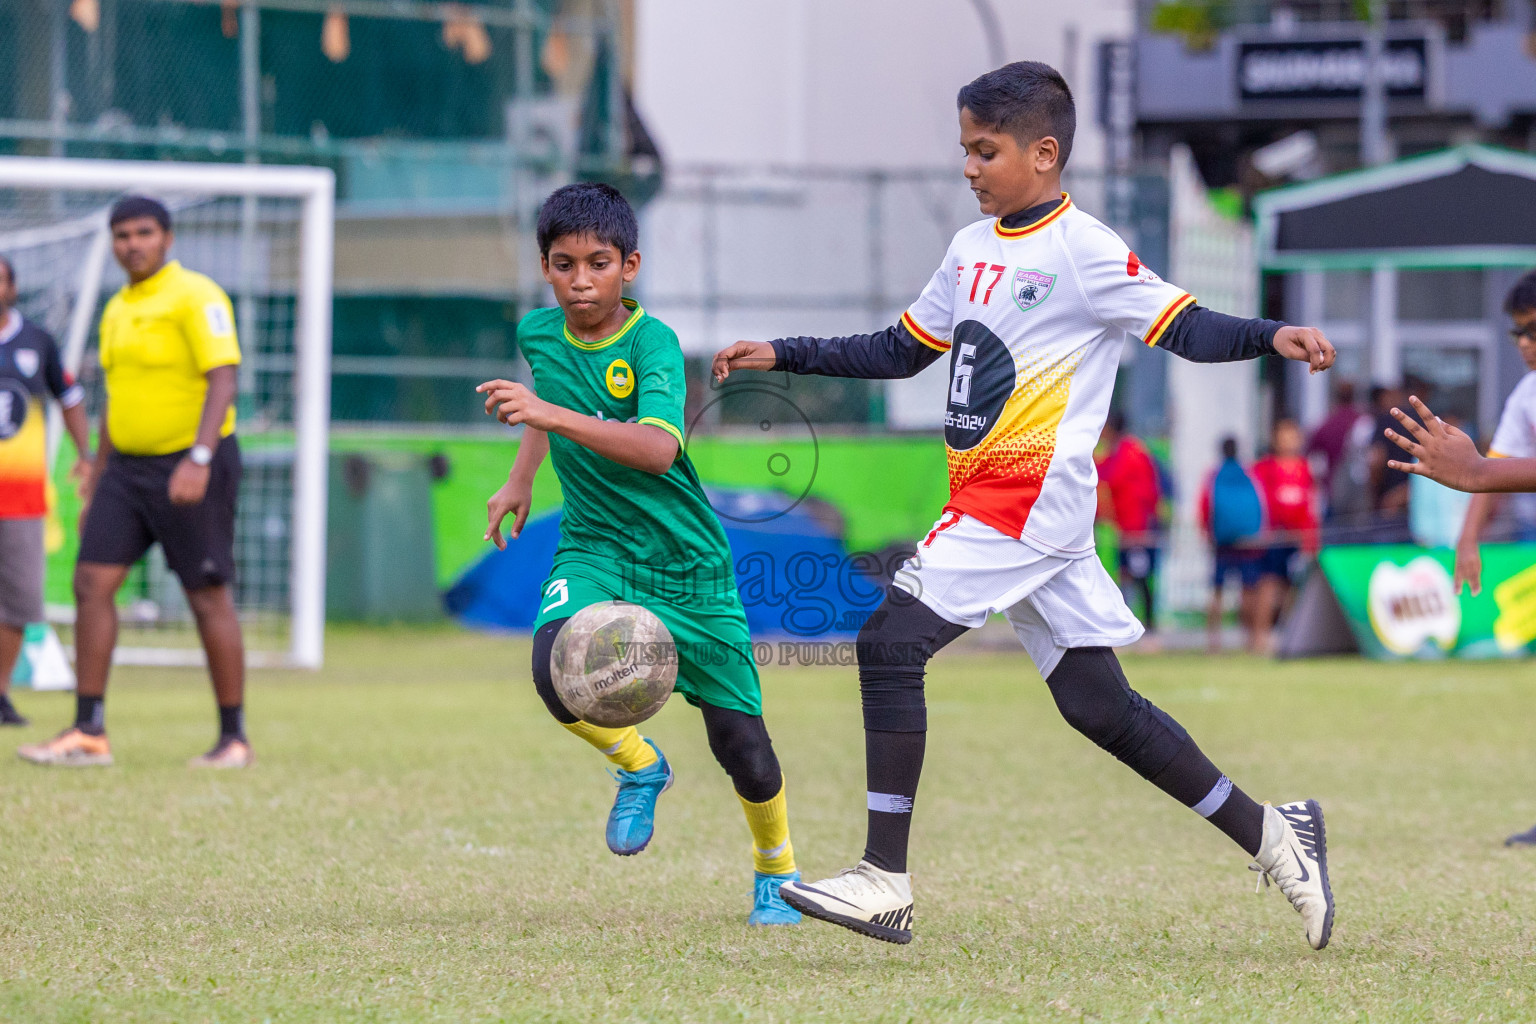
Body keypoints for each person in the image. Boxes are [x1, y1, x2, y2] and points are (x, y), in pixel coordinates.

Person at [711, 62, 1338, 949]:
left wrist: (1271, 334)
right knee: (1098, 707)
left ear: (1044, 154)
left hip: (1027, 500)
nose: (969, 167)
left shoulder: (1084, 249)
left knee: (890, 640)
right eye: (965, 149)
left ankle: (883, 876)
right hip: (998, 503)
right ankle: (1277, 835)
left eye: (985, 150)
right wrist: (785, 351)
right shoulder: (970, 251)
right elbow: (899, 350)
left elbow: (1185, 325)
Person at [475, 183, 802, 926]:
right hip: (594, 546)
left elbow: (657, 450)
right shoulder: (539, 334)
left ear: (631, 266)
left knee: (741, 743)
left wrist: (551, 415)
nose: (580, 280)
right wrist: (521, 477)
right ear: (545, 267)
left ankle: (776, 874)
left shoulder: (653, 344)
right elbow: (545, 400)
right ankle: (641, 766)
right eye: (563, 264)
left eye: (598, 263)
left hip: (687, 564)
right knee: (555, 667)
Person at [19, 197, 251, 769]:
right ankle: (89, 730)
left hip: (191, 462)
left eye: (144, 233)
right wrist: (96, 468)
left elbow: (223, 377)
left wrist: (199, 456)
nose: (132, 244)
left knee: (206, 595)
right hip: (124, 470)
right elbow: (116, 398)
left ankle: (233, 738)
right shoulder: (117, 307)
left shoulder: (198, 295)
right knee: (91, 583)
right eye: (122, 235)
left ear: (167, 238)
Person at [0, 255, 92, 725]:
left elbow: (70, 399)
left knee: (19, 600)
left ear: (12, 286)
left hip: (19, 498)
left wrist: (86, 454)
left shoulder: (38, 341)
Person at [1451, 270, 1536, 604]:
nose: (1525, 343)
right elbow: (1491, 469)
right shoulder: (1526, 396)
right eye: (1519, 333)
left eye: (1534, 330)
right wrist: (1468, 539)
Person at [1250, 419, 1318, 653]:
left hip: (1297, 538)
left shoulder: (1304, 467)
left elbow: (1310, 504)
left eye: (1293, 435)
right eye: (1284, 435)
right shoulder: (1265, 467)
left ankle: (1287, 638)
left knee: (1292, 588)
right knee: (1268, 585)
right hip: (1274, 537)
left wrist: (1309, 537)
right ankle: (1259, 637)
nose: (1289, 440)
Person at [1095, 411, 1162, 639]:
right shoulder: (1120, 451)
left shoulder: (1130, 452)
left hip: (1138, 529)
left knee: (1140, 576)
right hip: (1125, 528)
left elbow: (1110, 476)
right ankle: (1125, 626)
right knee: (1125, 575)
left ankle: (1150, 629)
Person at [1198, 437, 1264, 654]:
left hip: (1222, 541)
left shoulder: (1215, 475)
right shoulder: (1249, 474)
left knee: (1217, 591)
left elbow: (1205, 506)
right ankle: (1253, 640)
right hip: (1248, 541)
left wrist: (1207, 533)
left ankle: (1213, 642)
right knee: (1249, 590)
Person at [1305, 380, 1361, 513]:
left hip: (1333, 487)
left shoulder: (1327, 423)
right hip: (1360, 491)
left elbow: (1310, 455)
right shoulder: (1362, 420)